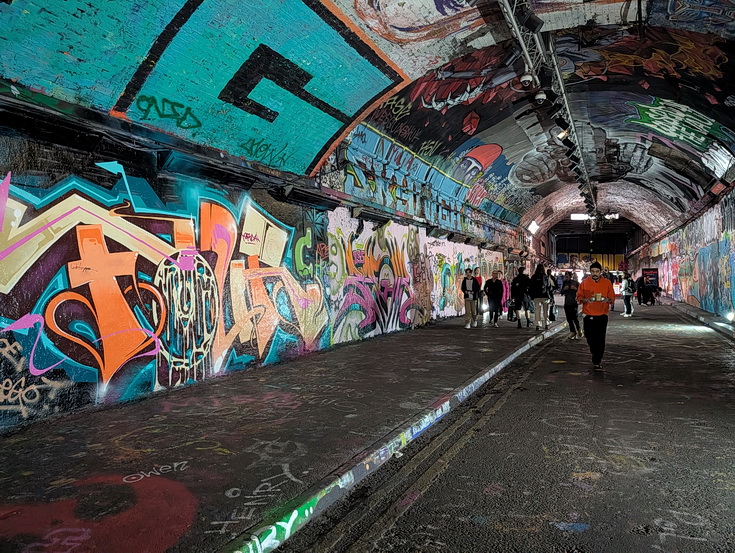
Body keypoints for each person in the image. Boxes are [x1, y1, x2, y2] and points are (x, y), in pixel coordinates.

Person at [576, 261, 615, 371]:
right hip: (588, 315)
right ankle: (594, 351)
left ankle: (597, 360)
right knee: (589, 336)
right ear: (590, 272)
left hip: (602, 315)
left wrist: (606, 299)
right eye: (593, 271)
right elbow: (579, 298)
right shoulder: (584, 283)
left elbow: (612, 298)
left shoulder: (607, 283)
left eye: (597, 271)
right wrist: (585, 299)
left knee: (600, 338)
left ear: (600, 272)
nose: (595, 273)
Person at [530, 264, 552, 331]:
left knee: (537, 311)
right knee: (546, 311)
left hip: (536, 297)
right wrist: (551, 297)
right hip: (545, 296)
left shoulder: (533, 277)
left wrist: (532, 296)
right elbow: (549, 287)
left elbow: (531, 287)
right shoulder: (546, 277)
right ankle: (546, 324)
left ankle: (537, 325)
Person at [560, 271, 582, 339]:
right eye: (565, 275)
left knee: (575, 318)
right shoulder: (564, 283)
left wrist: (575, 289)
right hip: (567, 303)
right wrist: (564, 289)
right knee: (569, 318)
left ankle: (578, 329)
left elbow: (581, 292)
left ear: (570, 276)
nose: (566, 277)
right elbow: (561, 292)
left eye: (567, 275)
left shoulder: (576, 283)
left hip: (573, 303)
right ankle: (573, 332)